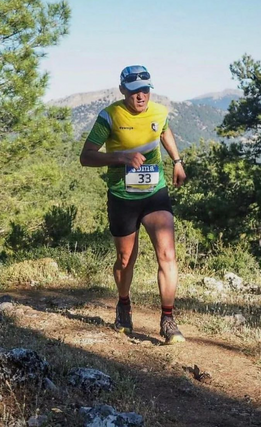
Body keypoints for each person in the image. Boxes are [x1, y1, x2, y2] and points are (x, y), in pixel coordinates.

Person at [80, 65, 187, 344]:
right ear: (122, 90)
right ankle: (123, 303)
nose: (140, 96)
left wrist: (177, 161)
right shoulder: (110, 116)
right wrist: (121, 158)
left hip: (155, 192)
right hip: (122, 196)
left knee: (167, 254)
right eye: (133, 91)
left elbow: (163, 132)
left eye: (145, 90)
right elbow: (86, 156)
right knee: (126, 259)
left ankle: (167, 319)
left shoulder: (160, 111)